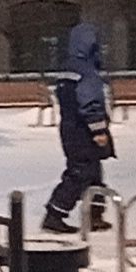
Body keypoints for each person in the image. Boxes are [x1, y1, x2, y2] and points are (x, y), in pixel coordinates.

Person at [42, 21, 116, 234]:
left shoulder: (67, 69)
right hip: (84, 130)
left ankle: (95, 213)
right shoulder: (86, 71)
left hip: (69, 128)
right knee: (81, 171)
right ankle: (55, 213)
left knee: (92, 171)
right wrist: (99, 130)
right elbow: (90, 103)